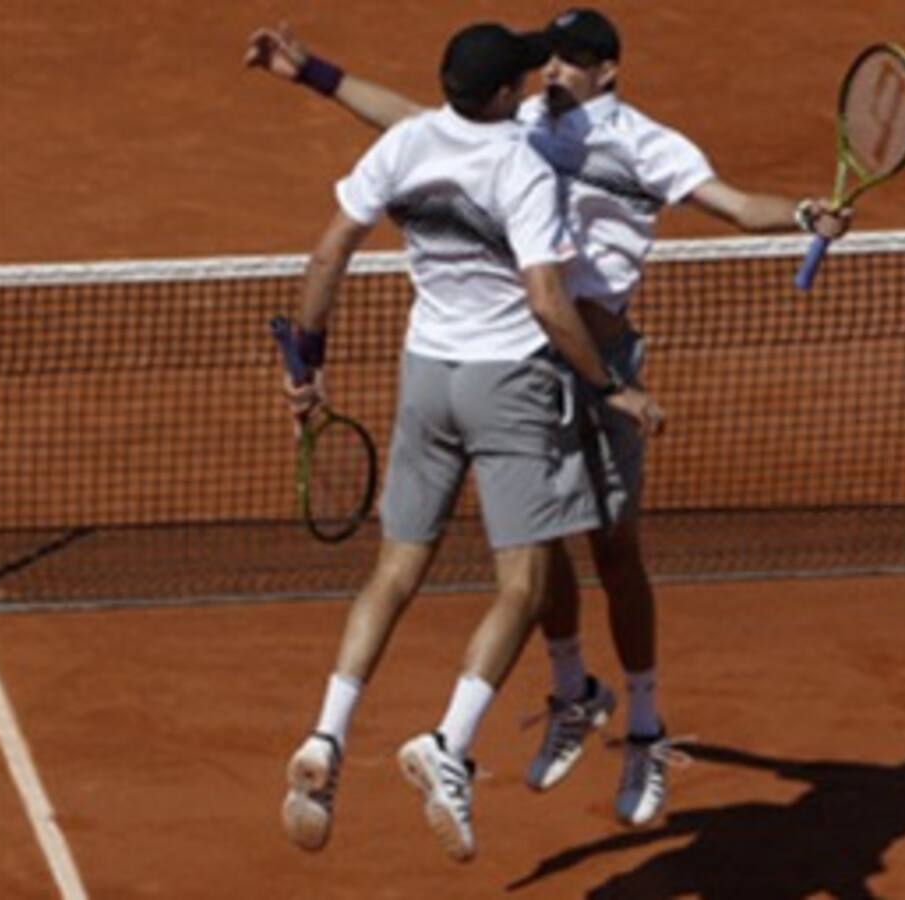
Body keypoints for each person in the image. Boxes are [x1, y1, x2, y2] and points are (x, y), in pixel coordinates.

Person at [247, 7, 850, 829]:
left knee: (614, 548)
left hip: (598, 361)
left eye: (571, 60)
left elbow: (738, 206)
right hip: (529, 366)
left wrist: (804, 215)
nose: (555, 72)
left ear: (607, 71)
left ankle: (645, 727)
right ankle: (572, 692)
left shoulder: (648, 146)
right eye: (549, 59)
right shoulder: (522, 121)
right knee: (542, 545)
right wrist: (316, 74)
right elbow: (417, 118)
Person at [271, 20, 663, 864]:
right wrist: (611, 387)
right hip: (508, 387)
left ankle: (327, 734)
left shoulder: (409, 144)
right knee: (524, 583)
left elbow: (329, 252)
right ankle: (449, 744)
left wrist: (306, 363)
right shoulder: (520, 166)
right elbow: (549, 301)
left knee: (393, 573)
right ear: (503, 95)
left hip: (426, 378)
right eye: (523, 74)